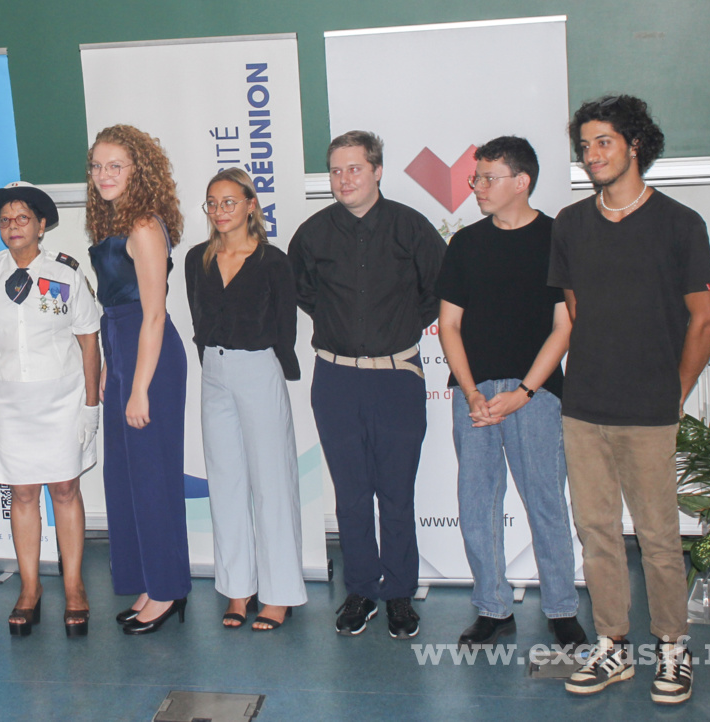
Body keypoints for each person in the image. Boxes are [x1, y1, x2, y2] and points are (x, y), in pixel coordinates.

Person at [551, 96, 710, 705]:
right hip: (584, 407)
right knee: (595, 531)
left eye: (603, 142)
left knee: (657, 536)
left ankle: (672, 649)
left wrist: (673, 391)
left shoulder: (680, 223)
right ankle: (612, 646)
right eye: (586, 144)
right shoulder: (569, 224)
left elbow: (705, 320)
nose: (592, 154)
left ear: (635, 146)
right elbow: (575, 310)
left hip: (650, 410)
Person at [290, 130, 446, 639]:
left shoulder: (412, 228)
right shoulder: (311, 235)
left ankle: (399, 593)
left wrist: (392, 330)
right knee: (351, 494)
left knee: (396, 493)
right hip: (335, 380)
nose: (344, 179)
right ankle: (361, 590)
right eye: (335, 170)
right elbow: (306, 295)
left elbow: (436, 293)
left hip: (397, 377)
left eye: (354, 168)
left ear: (378, 170)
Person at [435, 137, 586, 649]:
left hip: (536, 395)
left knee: (545, 500)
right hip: (474, 394)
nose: (475, 186)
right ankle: (492, 608)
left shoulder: (556, 239)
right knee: (477, 502)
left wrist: (524, 391)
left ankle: (563, 607)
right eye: (475, 178)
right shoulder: (466, 243)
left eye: (486, 178)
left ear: (521, 182)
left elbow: (564, 326)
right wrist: (473, 392)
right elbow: (449, 325)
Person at [0, 181, 102, 637]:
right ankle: (31, 587)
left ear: (41, 225)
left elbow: (89, 342)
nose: (13, 226)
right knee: (22, 494)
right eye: (5, 220)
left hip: (61, 397)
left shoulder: (67, 273)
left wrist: (91, 405)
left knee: (64, 490)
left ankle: (75, 586)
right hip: (10, 400)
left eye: (22, 218)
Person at [185, 168, 305, 631]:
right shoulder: (198, 258)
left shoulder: (273, 261)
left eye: (229, 202)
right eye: (212, 203)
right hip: (213, 373)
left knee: (272, 485)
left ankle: (279, 596)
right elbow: (198, 318)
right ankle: (239, 590)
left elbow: (285, 328)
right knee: (227, 484)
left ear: (251, 205)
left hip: (259, 367)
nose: (219, 211)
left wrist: (255, 361)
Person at [86, 124, 191, 635]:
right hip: (122, 352)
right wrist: (111, 367)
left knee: (153, 478)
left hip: (151, 359)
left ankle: (168, 590)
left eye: (115, 166)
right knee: (127, 479)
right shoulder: (111, 221)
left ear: (138, 171)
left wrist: (140, 386)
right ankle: (151, 581)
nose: (104, 175)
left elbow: (153, 314)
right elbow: (116, 307)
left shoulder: (145, 227)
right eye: (97, 166)